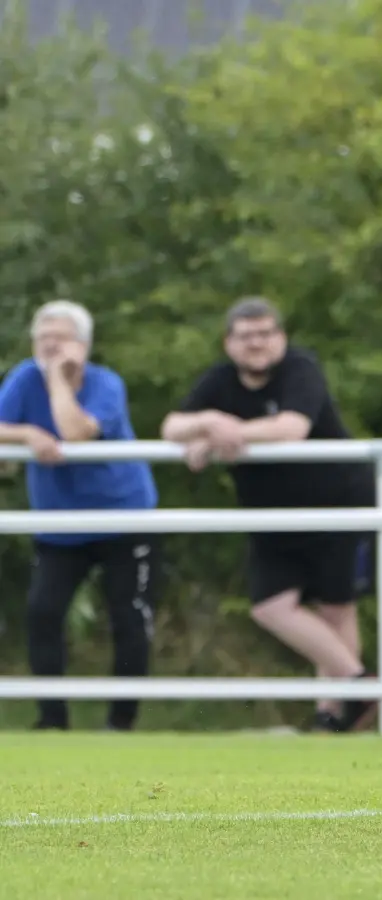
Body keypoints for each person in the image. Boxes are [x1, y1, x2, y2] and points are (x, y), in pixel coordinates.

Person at [160, 296, 375, 733]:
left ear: (281, 337)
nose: (256, 343)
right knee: (271, 606)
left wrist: (225, 435)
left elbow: (291, 429)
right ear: (228, 343)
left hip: (337, 503)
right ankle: (360, 686)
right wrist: (208, 421)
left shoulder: (300, 369)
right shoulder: (220, 381)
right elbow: (170, 427)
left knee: (336, 608)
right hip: (272, 515)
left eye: (265, 334)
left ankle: (332, 716)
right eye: (245, 336)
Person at [0, 300, 159, 731]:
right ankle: (52, 720)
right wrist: (27, 432)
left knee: (128, 616)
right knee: (42, 612)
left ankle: (121, 724)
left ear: (84, 345)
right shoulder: (22, 378)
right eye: (42, 337)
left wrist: (57, 381)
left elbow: (75, 432)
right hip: (59, 522)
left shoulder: (106, 384)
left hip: (123, 517)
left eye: (61, 337)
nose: (50, 345)